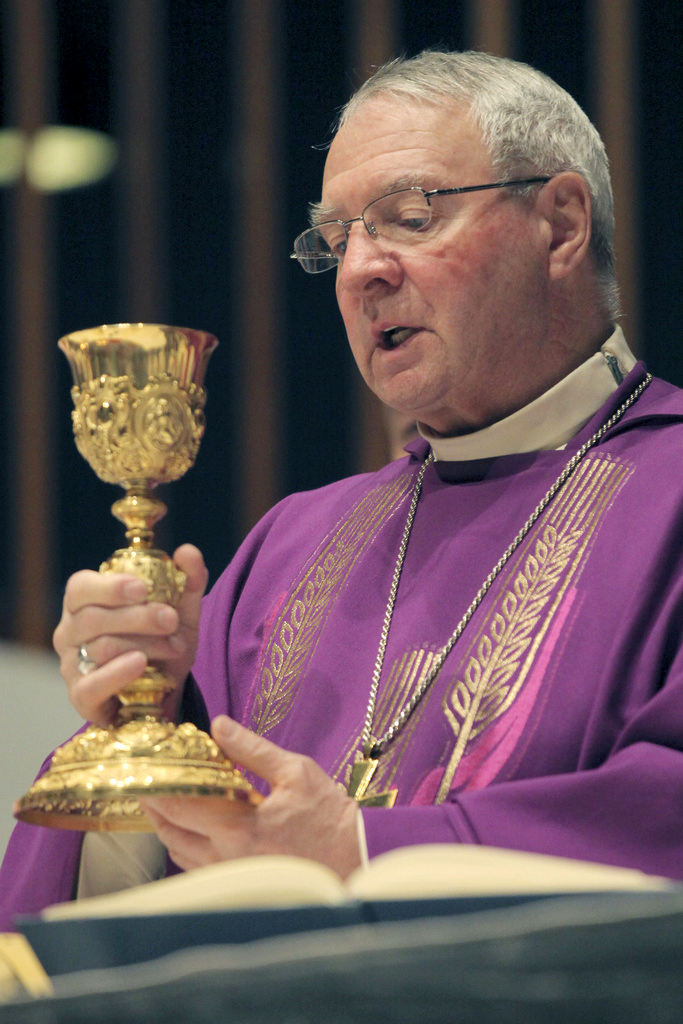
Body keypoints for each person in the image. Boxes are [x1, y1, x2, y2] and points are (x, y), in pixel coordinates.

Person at [3, 49, 683, 930]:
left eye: (407, 217)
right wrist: (138, 719)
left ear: (558, 225)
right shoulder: (289, 545)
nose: (361, 269)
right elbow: (114, 916)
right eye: (337, 239)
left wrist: (361, 852)